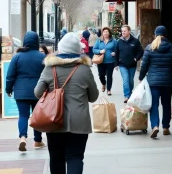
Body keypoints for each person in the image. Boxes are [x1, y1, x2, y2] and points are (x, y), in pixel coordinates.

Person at [34, 32, 99, 174]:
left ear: (61, 49)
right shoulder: (84, 69)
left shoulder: (49, 68)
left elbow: (38, 92)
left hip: (54, 120)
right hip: (79, 122)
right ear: (77, 50)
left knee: (56, 158)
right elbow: (93, 97)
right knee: (75, 157)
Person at [6, 31, 45, 151]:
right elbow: (47, 75)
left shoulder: (17, 56)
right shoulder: (42, 57)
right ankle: (37, 141)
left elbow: (10, 75)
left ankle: (22, 137)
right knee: (36, 116)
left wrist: (8, 89)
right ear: (36, 42)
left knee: (23, 115)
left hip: (21, 92)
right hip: (38, 91)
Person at [139, 26, 172, 138]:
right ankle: (166, 127)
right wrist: (169, 70)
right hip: (167, 81)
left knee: (154, 105)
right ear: (166, 35)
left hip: (153, 82)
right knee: (166, 104)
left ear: (155, 34)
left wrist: (141, 77)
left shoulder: (150, 47)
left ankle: (155, 126)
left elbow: (144, 65)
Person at [115, 25, 143, 103]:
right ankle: (126, 96)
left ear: (129, 31)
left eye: (124, 31)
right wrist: (116, 64)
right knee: (125, 80)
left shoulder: (135, 41)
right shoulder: (119, 41)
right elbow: (116, 53)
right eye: (122, 31)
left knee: (130, 80)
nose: (123, 32)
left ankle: (130, 94)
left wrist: (136, 58)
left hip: (132, 65)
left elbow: (141, 51)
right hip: (122, 64)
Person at [93, 27, 116, 95]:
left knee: (109, 76)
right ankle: (104, 83)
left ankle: (109, 90)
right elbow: (94, 49)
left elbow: (117, 50)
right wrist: (100, 51)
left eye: (107, 32)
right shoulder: (99, 41)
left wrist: (115, 53)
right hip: (101, 61)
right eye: (104, 32)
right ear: (102, 33)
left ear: (109, 33)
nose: (105, 33)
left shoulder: (113, 41)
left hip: (110, 61)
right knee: (101, 75)